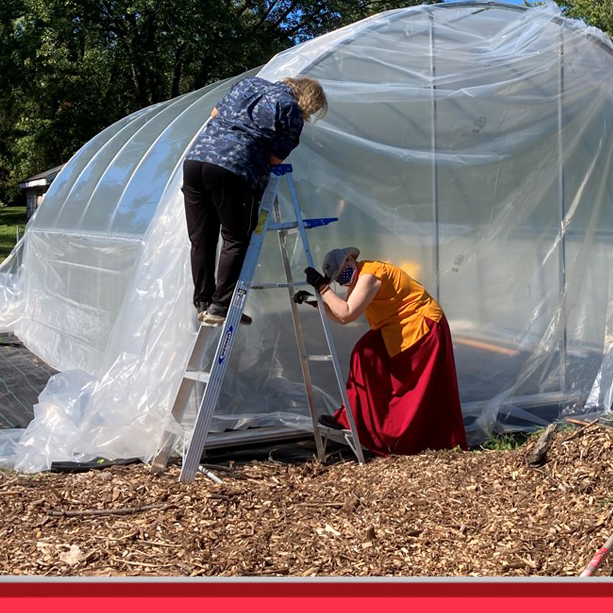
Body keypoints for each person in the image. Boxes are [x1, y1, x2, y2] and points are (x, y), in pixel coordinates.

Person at [182, 75, 326, 324]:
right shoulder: (289, 108)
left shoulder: (248, 84)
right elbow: (275, 159)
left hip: (196, 160)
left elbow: (215, 113)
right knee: (236, 238)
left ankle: (203, 301)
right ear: (308, 101)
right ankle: (220, 307)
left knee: (201, 238)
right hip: (234, 168)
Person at [303, 247, 467, 456]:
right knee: (364, 355)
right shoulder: (357, 281)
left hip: (422, 326)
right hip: (397, 327)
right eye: (336, 278)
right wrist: (314, 301)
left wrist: (323, 289)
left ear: (350, 260)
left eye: (341, 272)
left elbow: (346, 313)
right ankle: (351, 418)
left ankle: (400, 436)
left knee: (415, 388)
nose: (341, 279)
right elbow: (341, 314)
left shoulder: (369, 275)